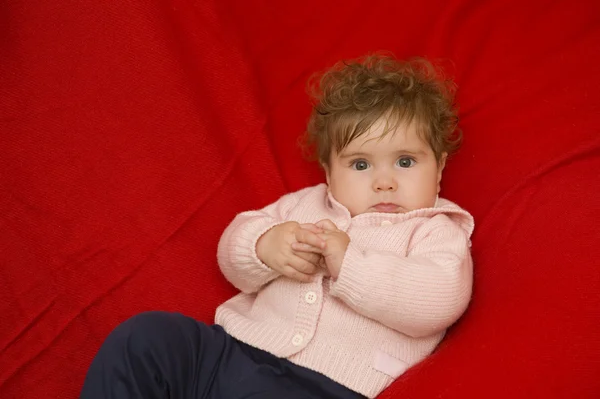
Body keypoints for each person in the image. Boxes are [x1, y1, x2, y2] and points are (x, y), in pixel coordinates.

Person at [80, 53, 474, 399]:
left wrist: (349, 263)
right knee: (146, 338)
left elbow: (438, 299)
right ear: (329, 171)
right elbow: (234, 243)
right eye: (360, 164)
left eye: (406, 161)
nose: (384, 181)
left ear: (438, 166)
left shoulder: (434, 229)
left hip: (327, 385)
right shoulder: (304, 204)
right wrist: (264, 247)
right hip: (231, 352)